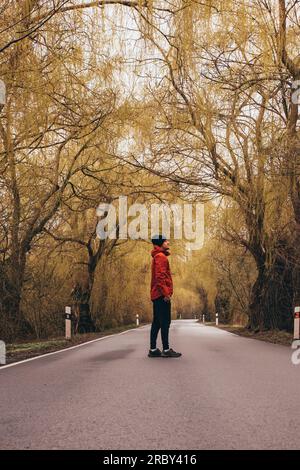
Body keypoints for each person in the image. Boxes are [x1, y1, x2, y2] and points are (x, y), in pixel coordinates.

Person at [148, 235, 182, 358]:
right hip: (161, 295)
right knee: (165, 322)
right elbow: (160, 277)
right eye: (166, 241)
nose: (168, 242)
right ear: (161, 243)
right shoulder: (161, 257)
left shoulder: (158, 256)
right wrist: (166, 293)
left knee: (157, 322)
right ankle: (166, 350)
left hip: (157, 294)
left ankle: (153, 349)